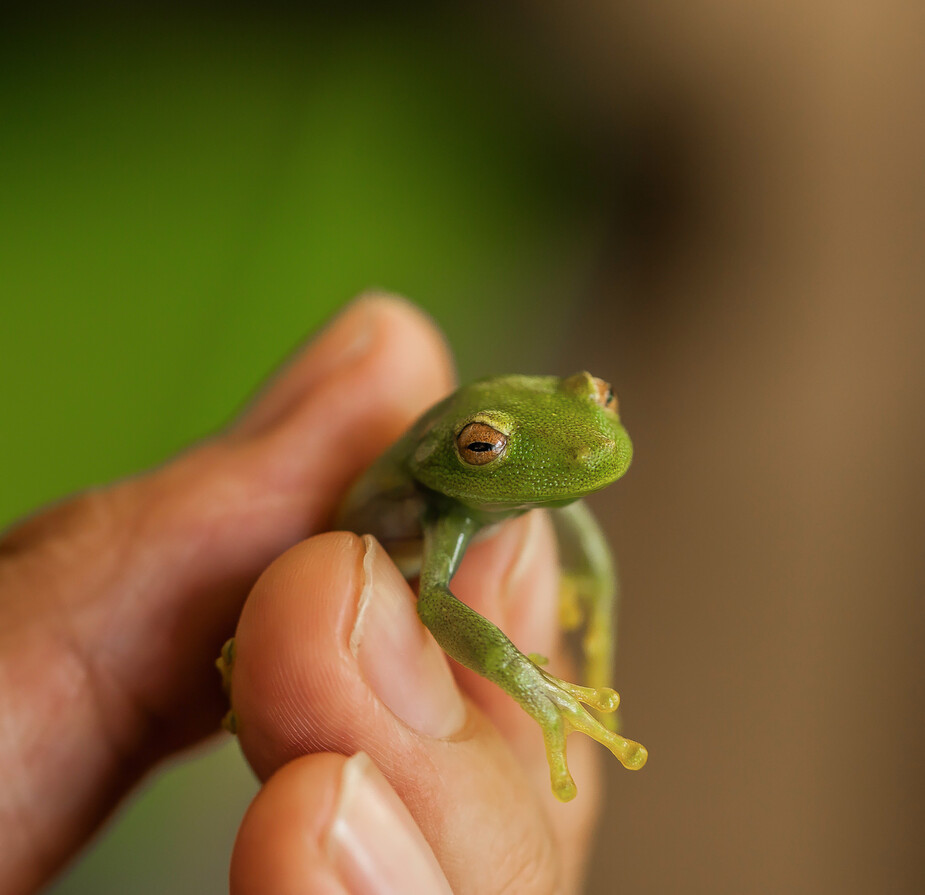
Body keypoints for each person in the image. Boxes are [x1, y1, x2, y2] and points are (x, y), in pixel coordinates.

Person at [0, 294, 600, 895]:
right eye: (483, 447)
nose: (591, 443)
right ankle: (244, 657)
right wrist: (528, 681)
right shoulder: (443, 509)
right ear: (456, 457)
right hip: (336, 554)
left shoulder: (541, 475)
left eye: (602, 396)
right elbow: (436, 601)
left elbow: (575, 505)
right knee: (308, 612)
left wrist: (598, 599)